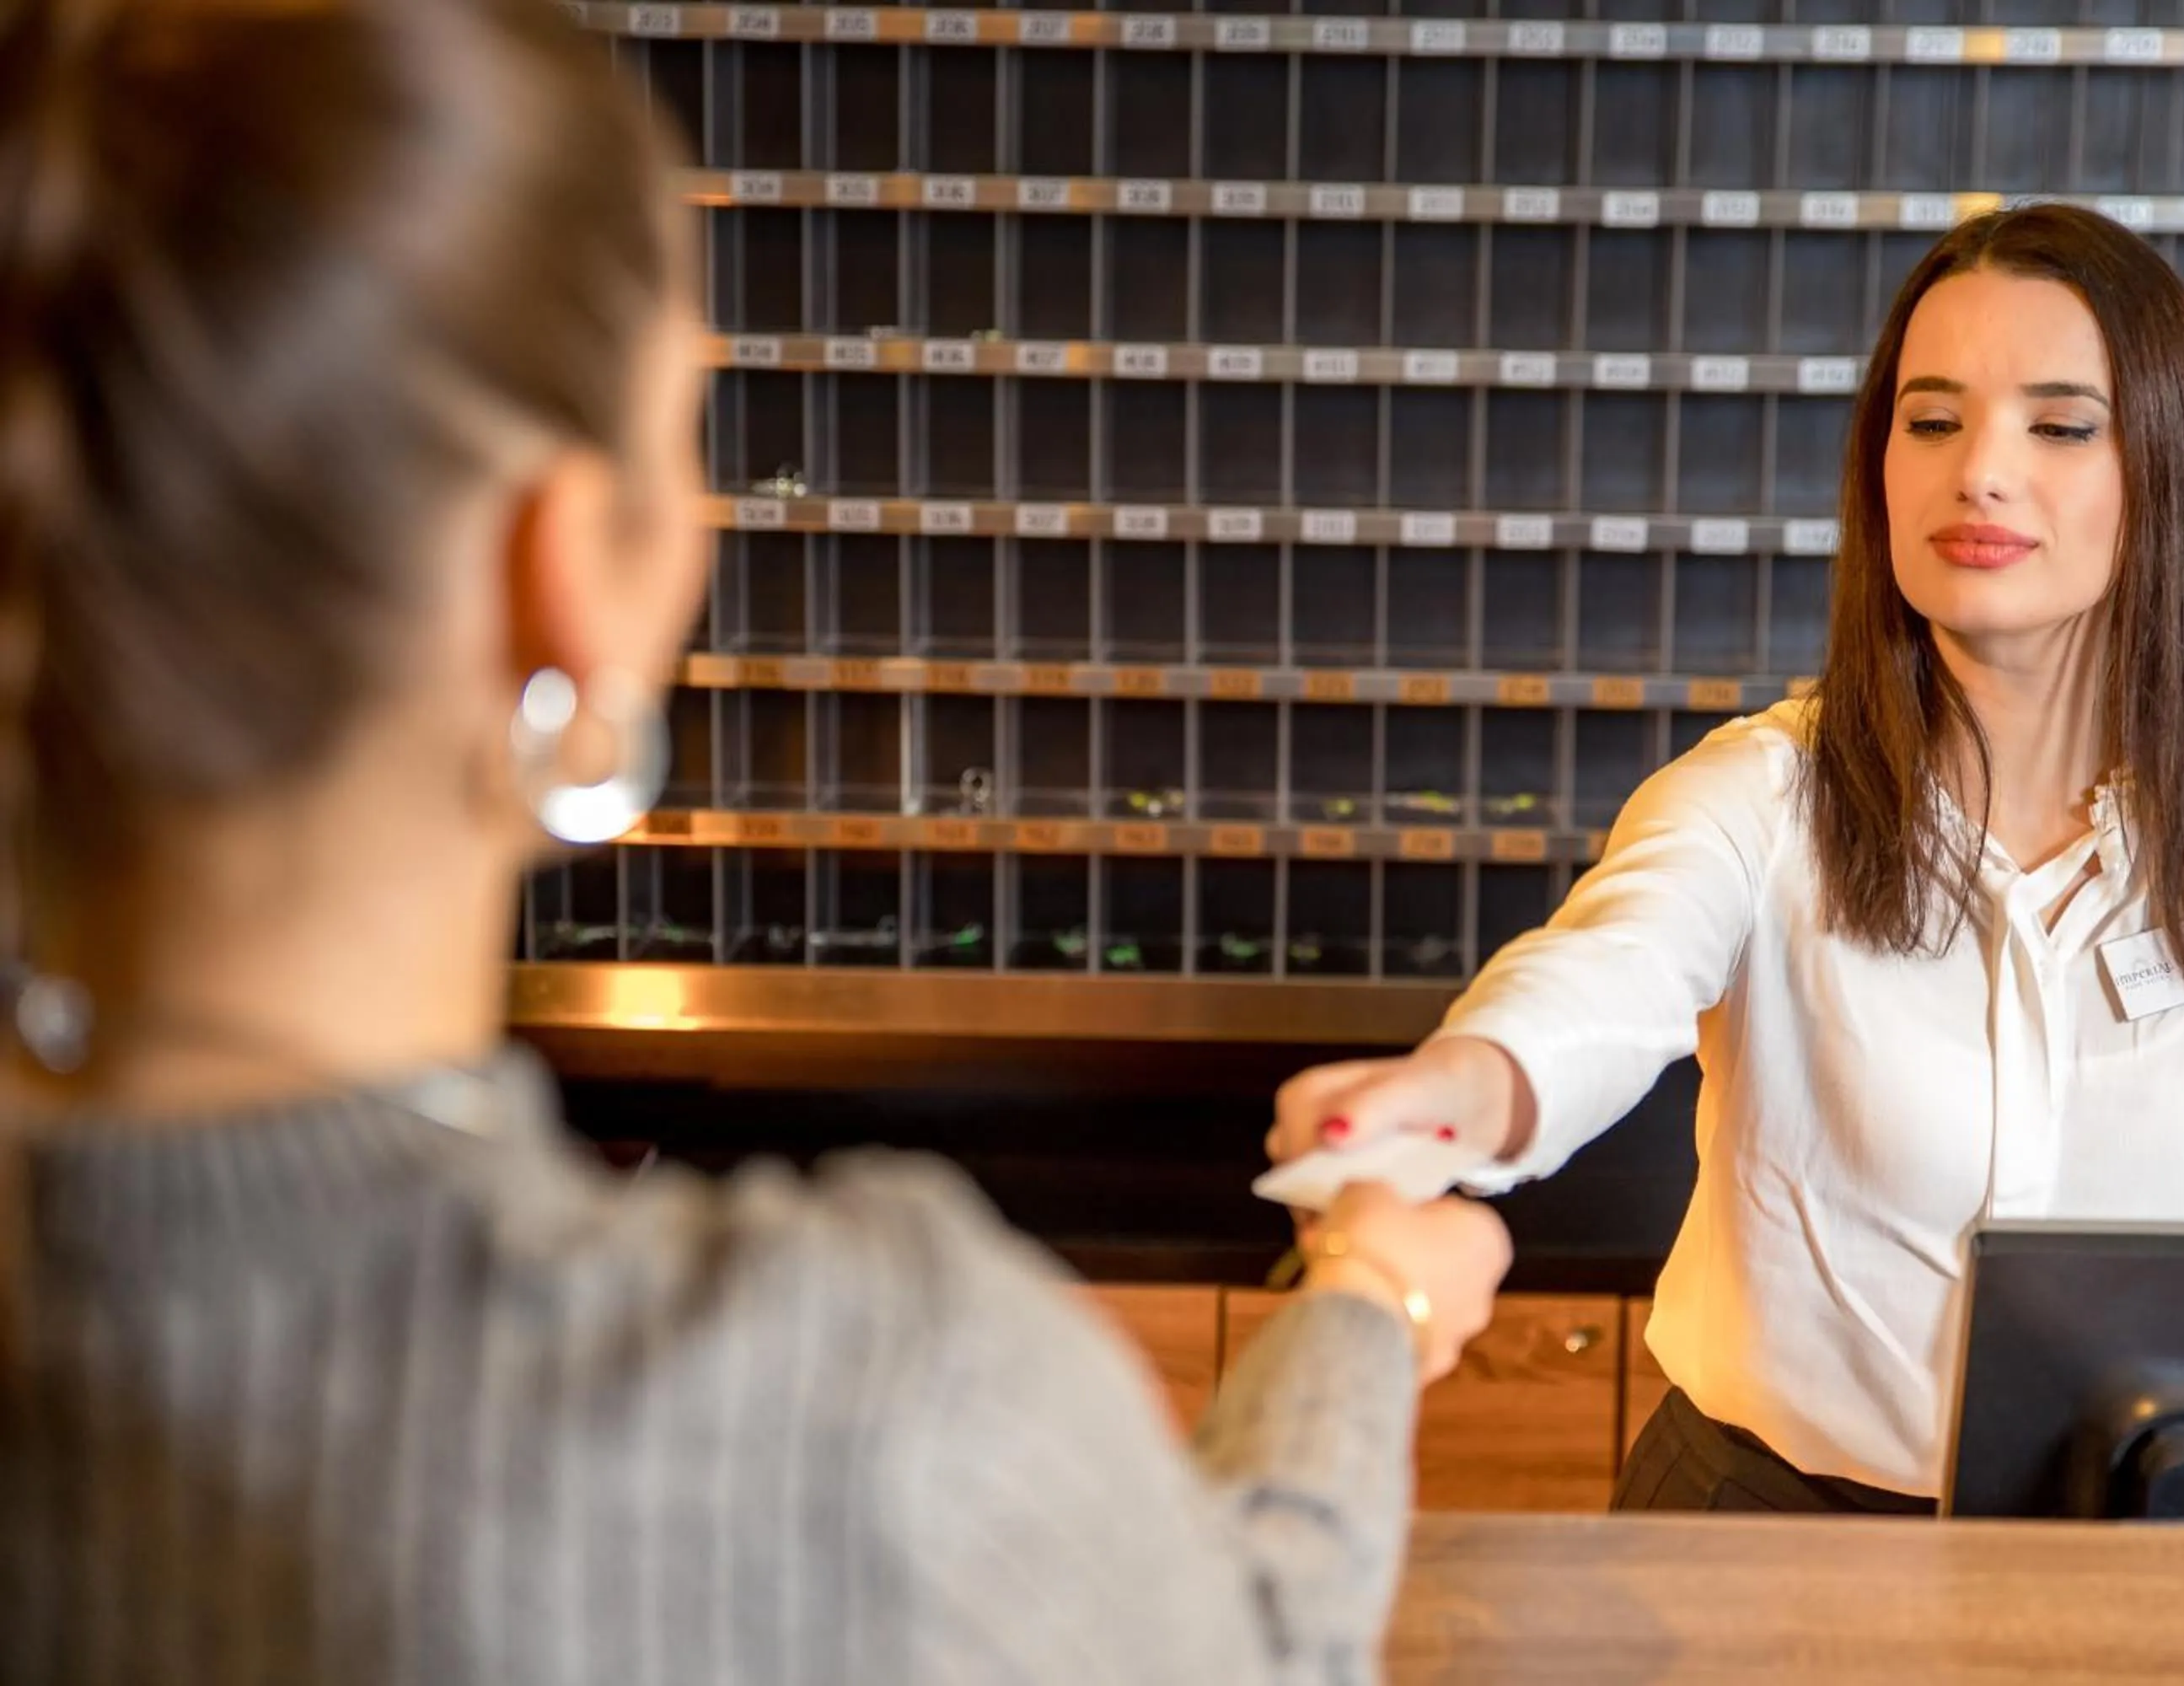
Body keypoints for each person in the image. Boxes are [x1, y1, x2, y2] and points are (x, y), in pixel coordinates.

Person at [0, 2, 1511, 1681]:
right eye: (686, 429)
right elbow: (1259, 1650)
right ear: (559, 572)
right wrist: (1372, 1301)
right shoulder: (854, 1401)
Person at [1269, 204, 2184, 1516]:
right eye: (1933, 419)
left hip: (2145, 1554)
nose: (1981, 471)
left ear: (2167, 469)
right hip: (1765, 1531)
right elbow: (1598, 982)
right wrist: (1455, 1088)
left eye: (2060, 424)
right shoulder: (1760, 795)